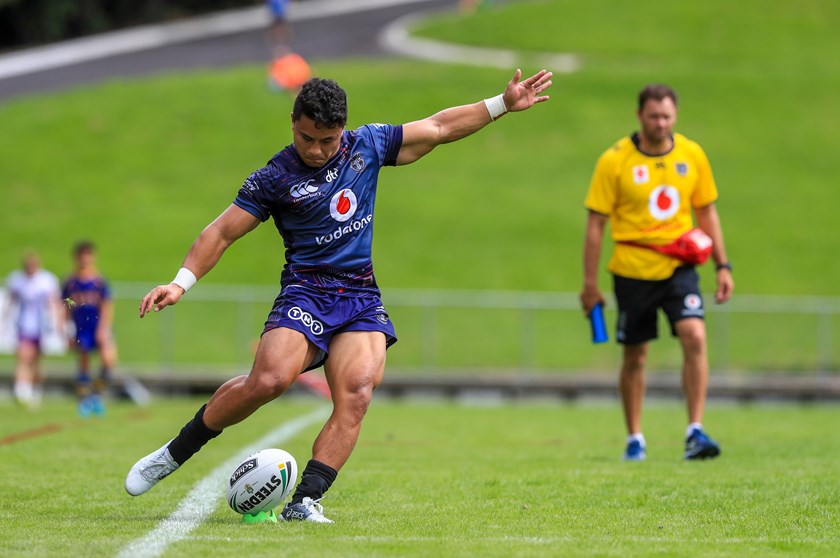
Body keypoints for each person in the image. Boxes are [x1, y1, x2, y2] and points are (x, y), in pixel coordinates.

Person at [125, 70, 553, 523]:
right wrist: (180, 282)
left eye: (327, 140)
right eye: (308, 138)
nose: (317, 150)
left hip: (360, 295)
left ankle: (304, 501)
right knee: (269, 381)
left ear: (342, 130)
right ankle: (173, 453)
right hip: (306, 292)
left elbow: (439, 127)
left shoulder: (367, 146)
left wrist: (501, 104)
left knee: (358, 393)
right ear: (293, 123)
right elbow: (221, 232)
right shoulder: (274, 177)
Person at [580, 84, 734, 462]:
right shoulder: (614, 161)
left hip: (681, 267)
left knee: (694, 335)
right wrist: (589, 284)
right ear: (639, 116)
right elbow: (595, 225)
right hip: (632, 271)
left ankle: (694, 432)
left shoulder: (692, 154)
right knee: (635, 356)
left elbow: (707, 212)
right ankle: (635, 438)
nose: (660, 123)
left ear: (675, 115)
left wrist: (723, 264)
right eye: (653, 116)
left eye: (667, 116)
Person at [62, 241, 117, 417]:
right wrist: (66, 329)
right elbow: (63, 306)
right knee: (84, 363)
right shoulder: (71, 282)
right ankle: (85, 400)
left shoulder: (99, 281)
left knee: (109, 360)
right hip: (81, 327)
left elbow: (107, 305)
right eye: (82, 255)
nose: (85, 259)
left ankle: (95, 395)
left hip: (97, 325)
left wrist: (104, 328)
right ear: (76, 257)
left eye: (88, 255)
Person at [5, 251, 62, 408]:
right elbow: (10, 301)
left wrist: (56, 324)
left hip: (42, 326)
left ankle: (36, 389)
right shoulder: (16, 280)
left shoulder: (46, 280)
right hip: (23, 325)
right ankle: (22, 390)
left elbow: (54, 302)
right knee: (23, 356)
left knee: (37, 360)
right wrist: (6, 322)